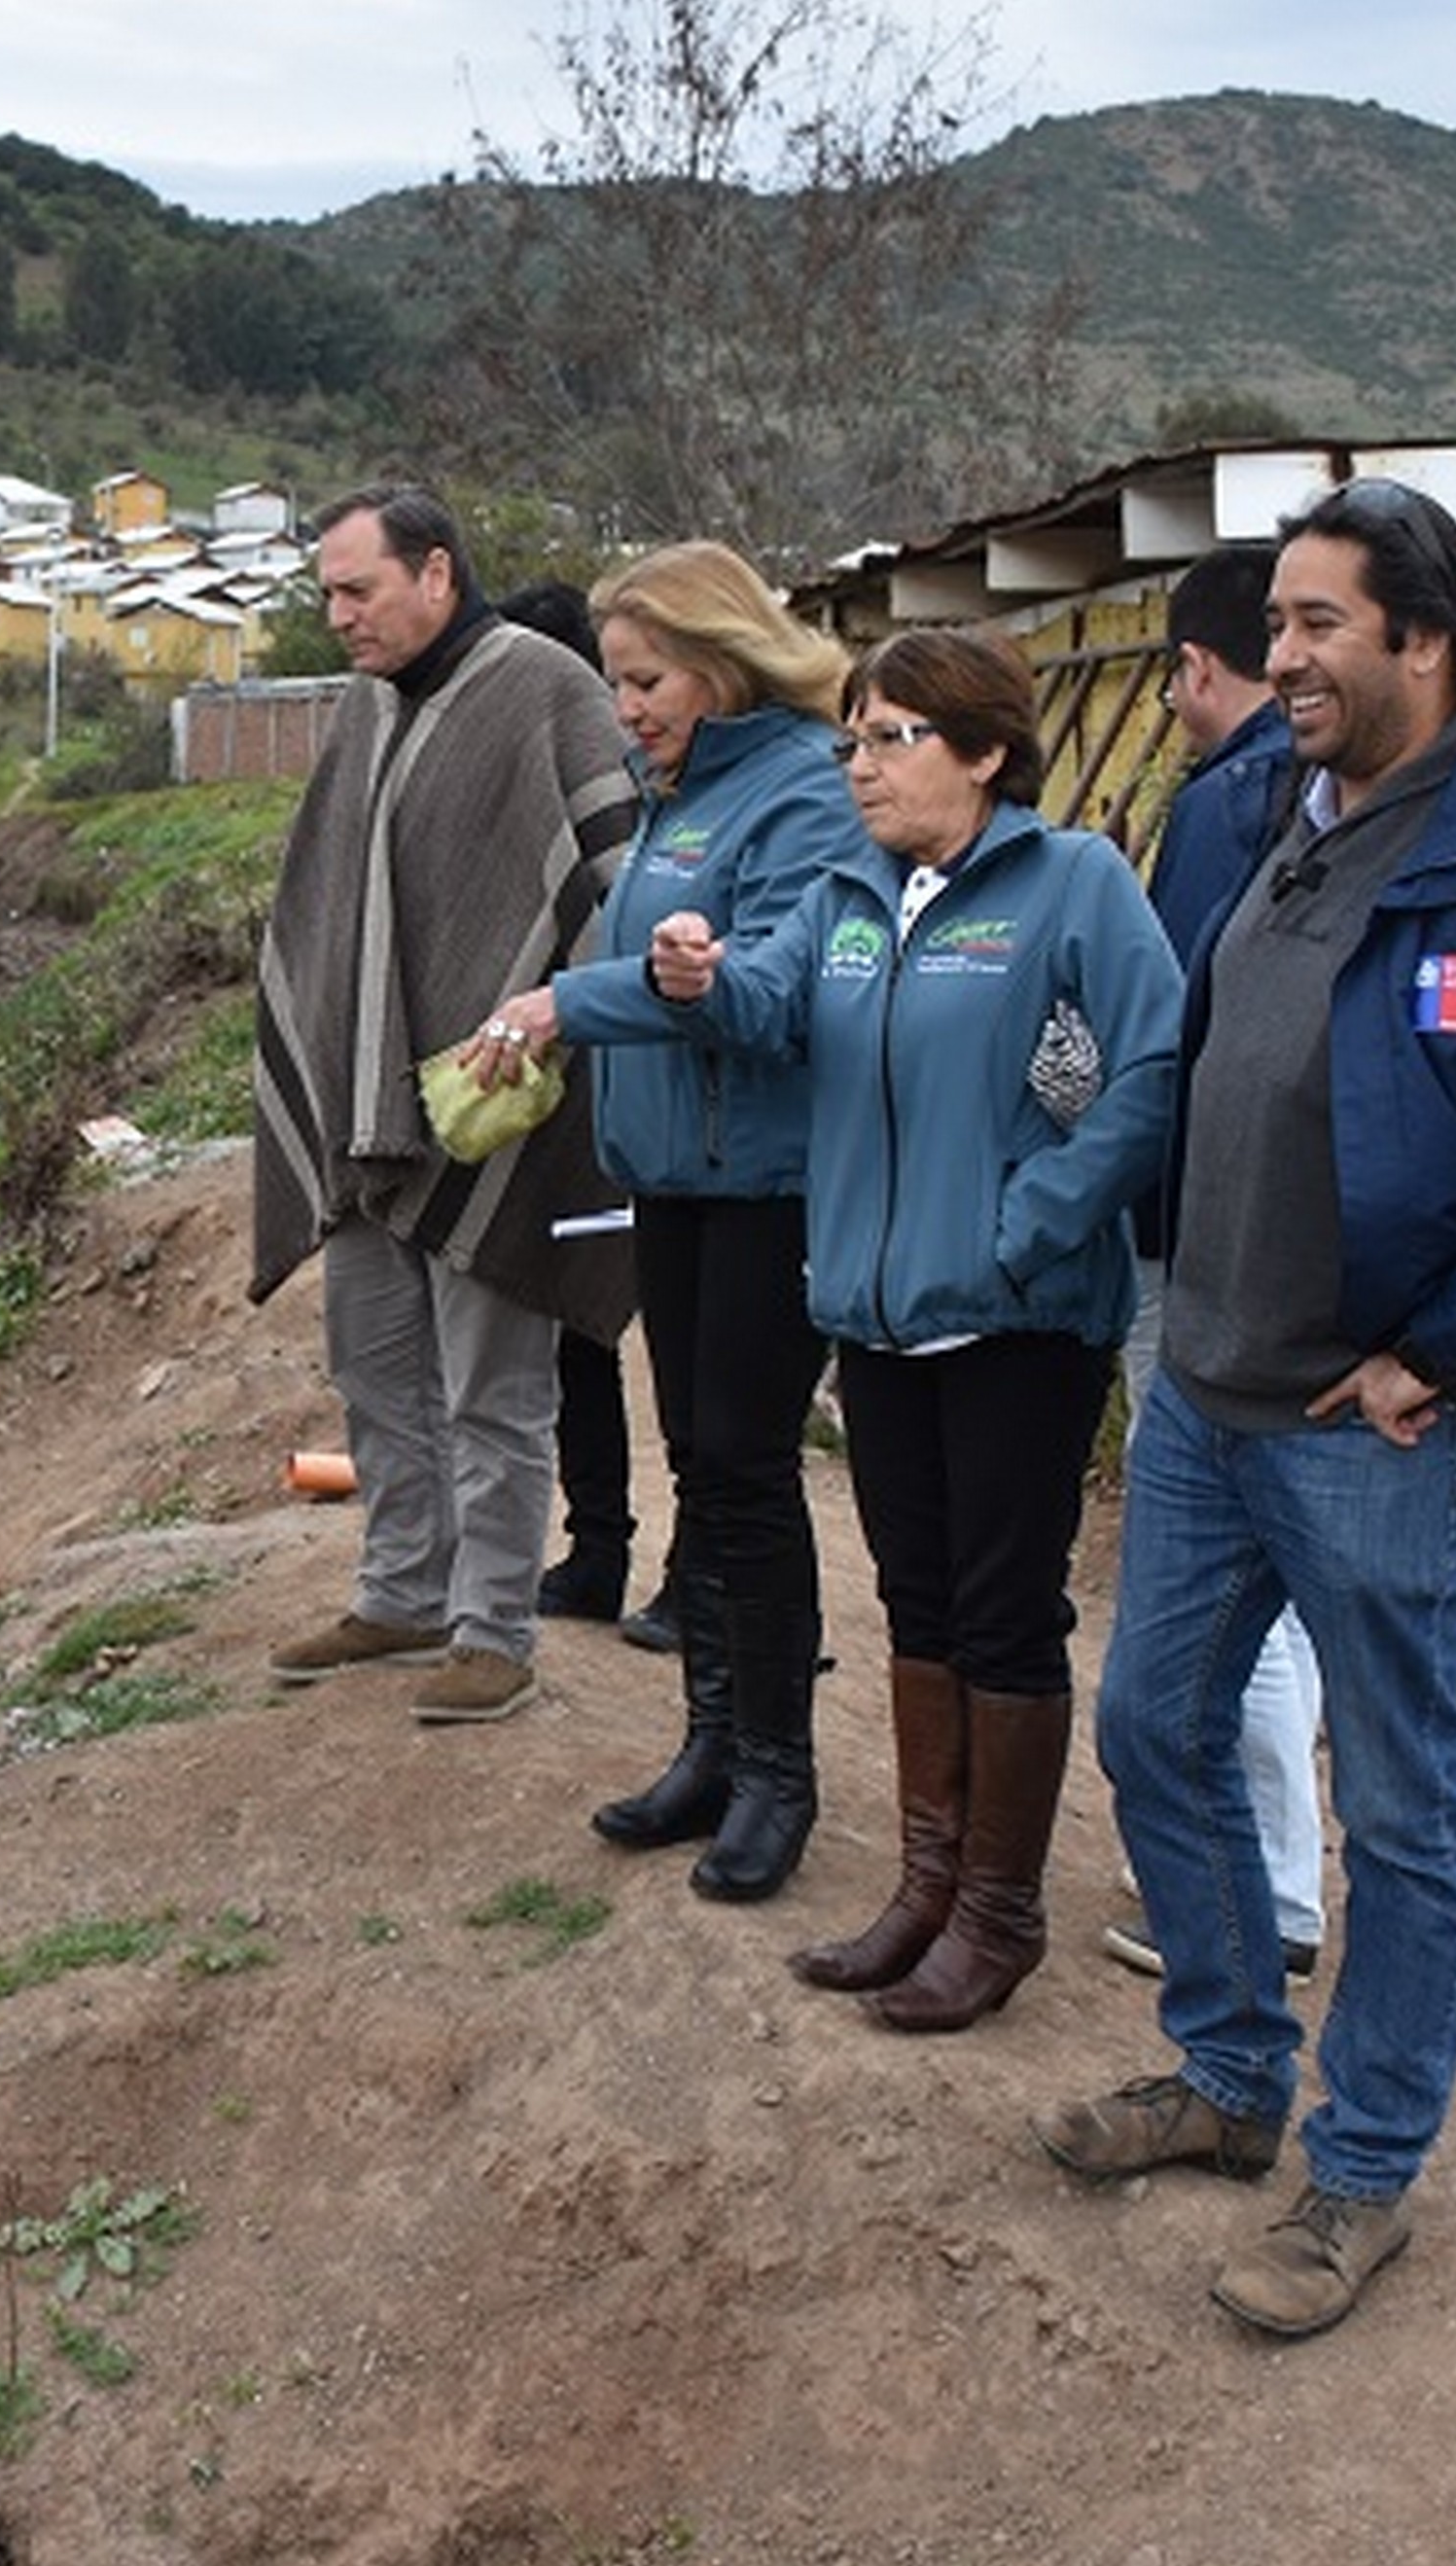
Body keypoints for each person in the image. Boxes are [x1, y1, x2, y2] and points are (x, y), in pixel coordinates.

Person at [1035, 477, 1456, 2340]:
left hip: (1382, 1424)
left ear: (1428, 639)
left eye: (1325, 625)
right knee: (1153, 1722)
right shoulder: (1262, 806)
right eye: (1283, 624)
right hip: (1212, 1389)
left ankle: (1362, 2172)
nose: (1288, 655)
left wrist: (1440, 1351)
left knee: (1401, 1811)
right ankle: (1235, 2074)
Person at [655, 626, 1181, 2025]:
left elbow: (1148, 1066)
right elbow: (776, 1012)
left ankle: (998, 1914)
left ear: (986, 750)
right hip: (879, 1317)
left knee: (1007, 1615)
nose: (862, 765)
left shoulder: (1071, 885)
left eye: (892, 737)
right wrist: (699, 976)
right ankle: (926, 1885)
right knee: (918, 1601)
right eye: (854, 738)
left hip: (1016, 1324)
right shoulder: (849, 890)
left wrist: (1035, 1223)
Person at [465, 542, 862, 1900]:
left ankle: (779, 1773)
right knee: (699, 1459)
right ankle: (711, 1742)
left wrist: (588, 1001)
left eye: (642, 680)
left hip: (766, 1182)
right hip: (676, 1175)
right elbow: (657, 969)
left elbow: (772, 997)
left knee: (748, 1468)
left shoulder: (806, 792)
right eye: (618, 682)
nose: (623, 706)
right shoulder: (672, 791)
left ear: (719, 660)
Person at [249, 485, 643, 1728]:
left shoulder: (542, 687)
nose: (338, 617)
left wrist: (555, 1015)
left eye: (355, 590)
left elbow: (611, 882)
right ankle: (401, 1588)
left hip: (493, 1107)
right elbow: (328, 896)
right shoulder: (367, 707)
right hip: (371, 1108)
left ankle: (492, 1628)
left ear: (434, 572)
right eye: (325, 593)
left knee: (491, 1386)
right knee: (373, 1369)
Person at [1102, 543, 1333, 1987]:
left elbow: (1175, 1028)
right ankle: (1289, 1869)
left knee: (1216, 1566)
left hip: (1203, 1246)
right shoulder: (1332, 800)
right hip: (1308, 1251)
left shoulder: (1229, 802)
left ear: (1197, 667)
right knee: (1287, 1579)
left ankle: (1268, 1893)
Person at [494, 579, 647, 1637]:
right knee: (577, 1323)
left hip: (638, 1095)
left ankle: (665, 1565)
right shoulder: (547, 775)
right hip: (574, 1092)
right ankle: (598, 1554)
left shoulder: (630, 787)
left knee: (640, 1334)